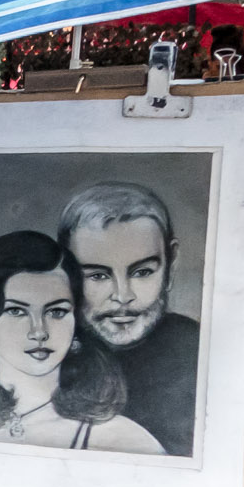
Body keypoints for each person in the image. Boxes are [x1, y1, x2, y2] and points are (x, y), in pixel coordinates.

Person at [0, 230, 161, 454]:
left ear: (75, 321)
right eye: (16, 311)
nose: (39, 331)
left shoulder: (122, 439)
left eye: (56, 312)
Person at [57, 181, 198, 457]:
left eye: (142, 272)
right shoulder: (46, 353)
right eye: (98, 276)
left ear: (171, 264)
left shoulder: (199, 351)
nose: (123, 296)